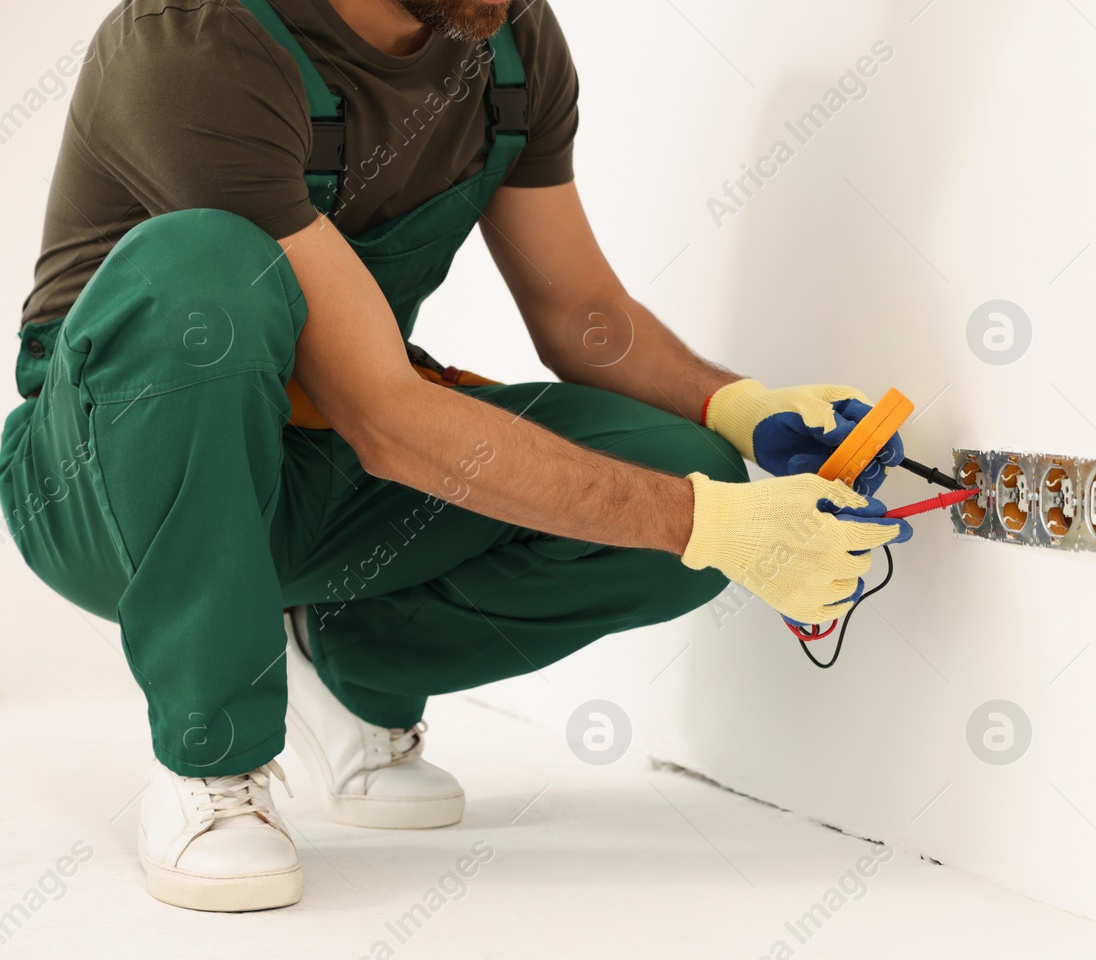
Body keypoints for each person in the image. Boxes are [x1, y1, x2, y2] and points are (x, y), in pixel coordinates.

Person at [0, 0, 909, 913]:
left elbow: (578, 312)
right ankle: (213, 765)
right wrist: (713, 528)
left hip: (323, 462)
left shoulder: (502, 35)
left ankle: (344, 657)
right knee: (203, 267)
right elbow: (388, 415)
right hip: (107, 485)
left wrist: (740, 408)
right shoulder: (197, 41)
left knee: (688, 469)